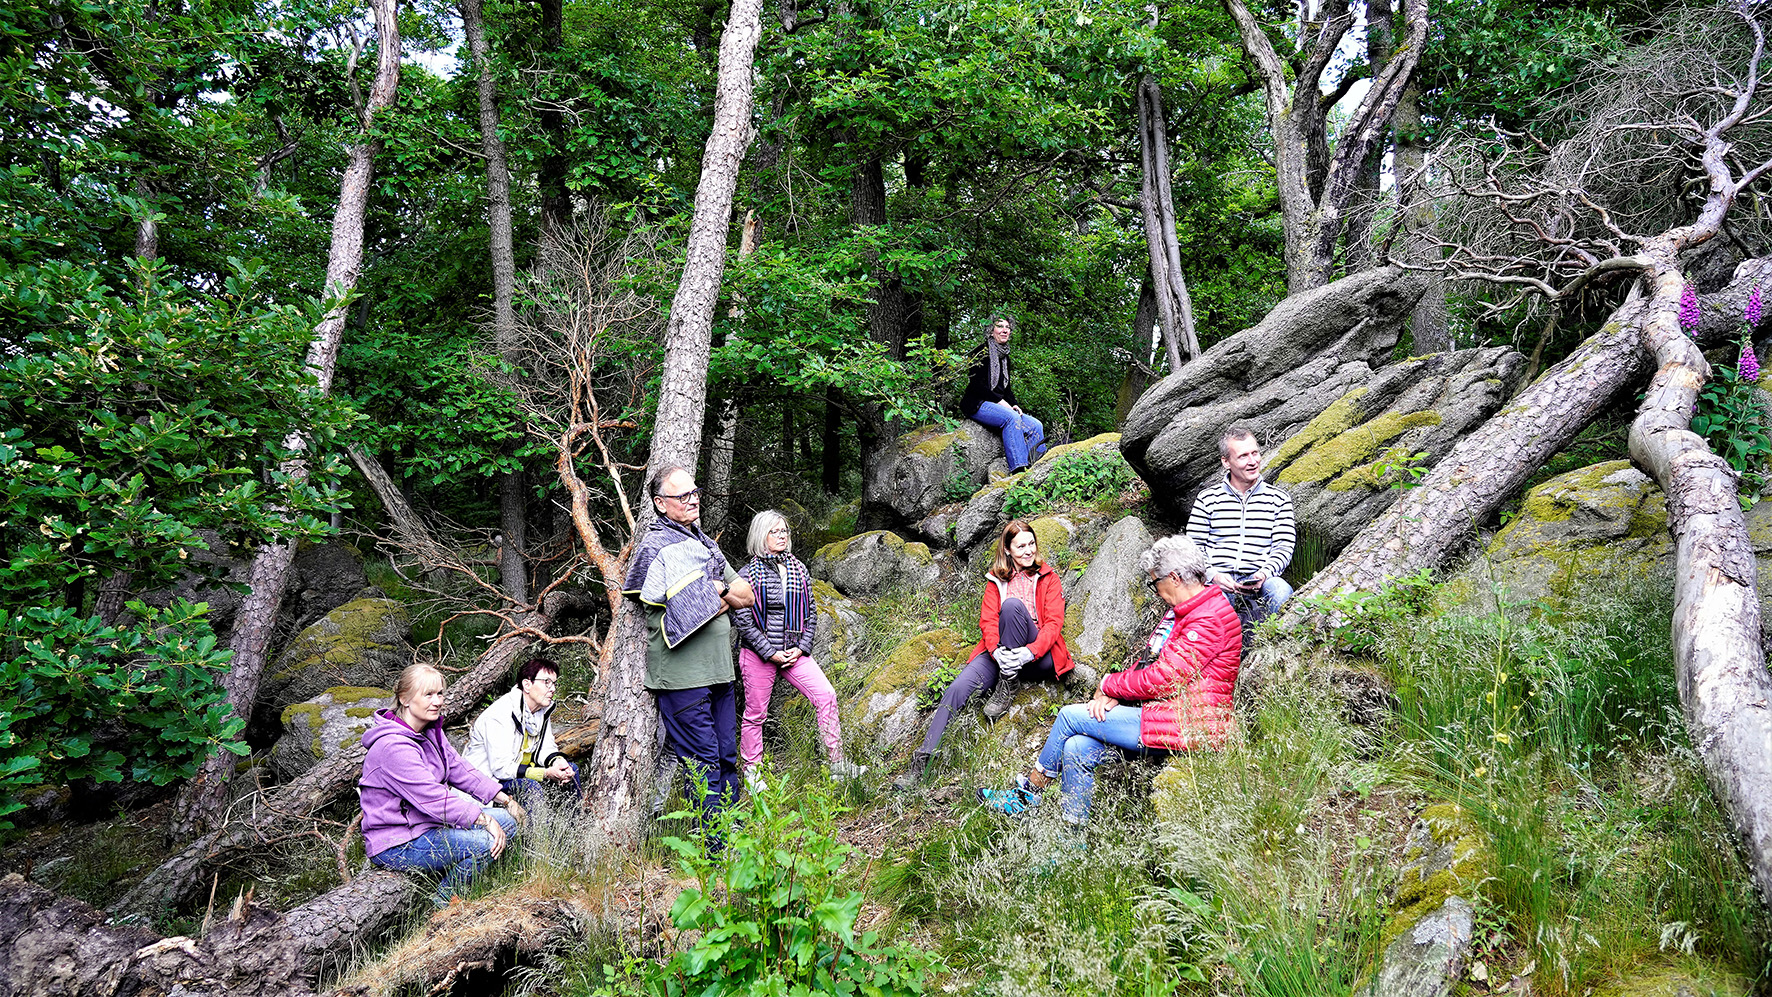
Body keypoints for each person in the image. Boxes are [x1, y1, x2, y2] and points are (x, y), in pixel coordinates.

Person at [979, 534, 1241, 824]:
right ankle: (1071, 843)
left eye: (1156, 583)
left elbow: (1165, 678)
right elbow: (1157, 666)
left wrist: (1108, 685)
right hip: (1167, 713)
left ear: (1175, 578)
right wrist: (1120, 694)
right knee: (1076, 748)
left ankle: (1027, 796)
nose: (1157, 592)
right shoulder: (1193, 611)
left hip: (1189, 723)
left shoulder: (1207, 618)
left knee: (1068, 716)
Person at [624, 466, 755, 844]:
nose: (693, 499)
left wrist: (712, 590)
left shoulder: (705, 546)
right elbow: (675, 613)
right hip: (682, 678)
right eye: (682, 496)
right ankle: (713, 848)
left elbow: (744, 595)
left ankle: (730, 834)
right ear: (660, 504)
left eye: (694, 492)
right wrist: (714, 592)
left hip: (719, 672)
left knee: (728, 756)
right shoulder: (655, 547)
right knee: (703, 764)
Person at [893, 519, 1073, 790]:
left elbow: (1053, 625)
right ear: (1008, 550)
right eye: (1020, 546)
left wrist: (1028, 652)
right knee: (957, 688)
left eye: (1031, 544)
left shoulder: (1048, 577)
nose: (1028, 551)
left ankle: (1008, 683)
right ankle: (921, 764)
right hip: (1001, 655)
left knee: (1012, 606)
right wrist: (997, 652)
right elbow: (988, 622)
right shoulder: (996, 580)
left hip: (1037, 656)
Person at [359, 663, 527, 905]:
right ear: (404, 699)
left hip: (425, 825)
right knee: (485, 842)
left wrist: (505, 800)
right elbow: (433, 799)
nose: (437, 701)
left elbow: (460, 769)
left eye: (440, 693)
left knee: (507, 823)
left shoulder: (429, 732)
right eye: (428, 694)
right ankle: (442, 905)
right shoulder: (392, 747)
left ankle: (462, 881)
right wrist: (483, 819)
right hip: (397, 841)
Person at [733, 510, 866, 783]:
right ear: (761, 535)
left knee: (826, 695)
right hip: (759, 654)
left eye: (784, 532)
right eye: (775, 532)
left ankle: (837, 765)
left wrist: (802, 647)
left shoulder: (798, 568)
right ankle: (753, 774)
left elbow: (811, 612)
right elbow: (742, 619)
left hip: (794, 652)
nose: (782, 536)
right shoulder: (746, 574)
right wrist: (770, 652)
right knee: (756, 714)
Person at [1186, 425, 1295, 627]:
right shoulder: (1207, 499)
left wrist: (1264, 574)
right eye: (1243, 456)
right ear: (1226, 462)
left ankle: (1272, 651)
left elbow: (1284, 547)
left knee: (1281, 592)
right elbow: (1194, 548)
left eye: (1255, 453)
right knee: (1210, 610)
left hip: (1261, 581)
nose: (1253, 461)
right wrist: (1213, 575)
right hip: (1217, 582)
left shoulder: (1279, 500)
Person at [463, 657, 577, 810]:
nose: (553, 689)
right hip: (489, 784)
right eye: (546, 682)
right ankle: (538, 834)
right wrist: (545, 773)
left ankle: (573, 827)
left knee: (571, 769)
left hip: (518, 773)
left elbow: (546, 747)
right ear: (527, 684)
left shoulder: (540, 711)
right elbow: (501, 768)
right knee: (529, 787)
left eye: (554, 683)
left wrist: (557, 763)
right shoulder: (499, 714)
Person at [961, 315, 1047, 474]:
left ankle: (1038, 469)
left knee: (1035, 425)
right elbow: (976, 385)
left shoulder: (1005, 357)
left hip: (999, 404)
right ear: (991, 330)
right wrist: (1001, 403)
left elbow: (1006, 388)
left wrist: (1013, 404)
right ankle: (1020, 471)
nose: (1005, 330)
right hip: (978, 403)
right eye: (1000, 326)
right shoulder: (980, 352)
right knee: (1011, 418)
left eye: (1007, 327)